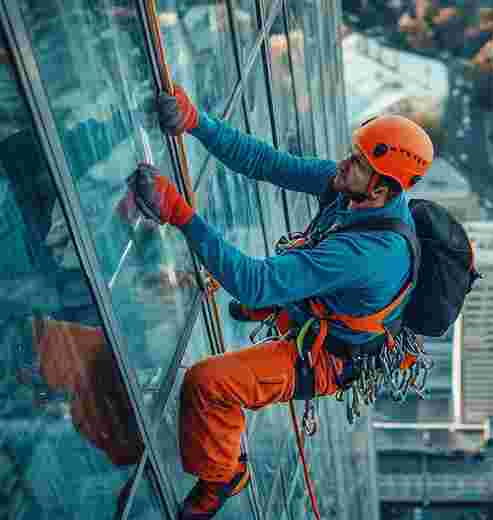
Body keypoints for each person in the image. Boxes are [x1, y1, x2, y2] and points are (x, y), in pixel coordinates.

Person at [127, 85, 433, 519]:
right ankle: (283, 307)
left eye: (358, 163)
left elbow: (254, 283)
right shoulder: (354, 190)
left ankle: (224, 475)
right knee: (269, 282)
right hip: (329, 308)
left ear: (383, 191)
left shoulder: (369, 253)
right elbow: (267, 163)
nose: (344, 164)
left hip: (329, 357)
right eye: (353, 153)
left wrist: (181, 214)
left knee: (208, 383)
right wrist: (197, 122)